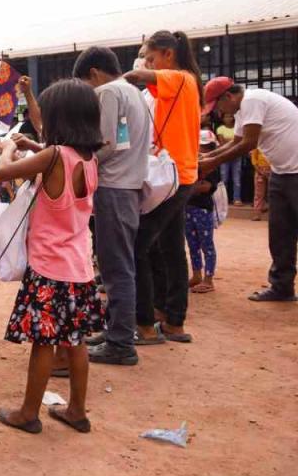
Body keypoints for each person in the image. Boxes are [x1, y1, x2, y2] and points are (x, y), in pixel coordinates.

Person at [0, 79, 105, 435]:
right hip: (79, 267)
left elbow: (4, 172)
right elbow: (53, 152)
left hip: (48, 269)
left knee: (43, 342)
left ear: (59, 118)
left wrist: (8, 147)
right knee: (75, 341)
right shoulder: (88, 158)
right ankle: (77, 410)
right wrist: (35, 144)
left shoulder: (53, 156)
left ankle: (28, 413)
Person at [71, 46, 150, 367]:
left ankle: (120, 343)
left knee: (116, 268)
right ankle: (115, 330)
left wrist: (73, 161)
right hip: (129, 186)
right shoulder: (134, 93)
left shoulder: (107, 93)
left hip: (114, 188)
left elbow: (104, 145)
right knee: (119, 265)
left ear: (93, 74)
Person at [123, 30, 202, 344]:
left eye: (151, 57)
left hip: (173, 178)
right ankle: (172, 321)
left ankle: (143, 324)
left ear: (168, 54)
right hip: (176, 176)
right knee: (168, 248)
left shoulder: (181, 78)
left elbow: (140, 74)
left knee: (138, 245)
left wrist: (122, 78)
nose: (147, 63)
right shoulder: (176, 86)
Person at [199, 77, 298, 302]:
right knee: (280, 234)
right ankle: (282, 286)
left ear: (228, 96)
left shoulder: (253, 100)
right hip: (282, 173)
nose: (217, 112)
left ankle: (282, 285)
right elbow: (235, 142)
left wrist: (211, 163)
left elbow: (248, 144)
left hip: (294, 173)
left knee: (284, 232)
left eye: (218, 106)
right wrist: (207, 156)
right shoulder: (244, 109)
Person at [187, 131, 221, 294]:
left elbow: (207, 187)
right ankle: (197, 275)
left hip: (202, 209)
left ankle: (209, 279)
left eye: (207, 147)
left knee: (206, 244)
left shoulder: (212, 167)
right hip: (188, 208)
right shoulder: (191, 162)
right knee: (192, 244)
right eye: (201, 146)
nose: (203, 149)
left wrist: (187, 189)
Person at [216, 113, 243, 206]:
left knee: (237, 179)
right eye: (226, 116)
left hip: (237, 156)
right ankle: (224, 200)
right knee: (224, 179)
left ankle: (237, 199)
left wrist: (232, 143)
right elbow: (222, 143)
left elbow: (240, 141)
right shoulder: (220, 129)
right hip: (224, 156)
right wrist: (233, 143)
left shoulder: (237, 128)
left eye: (230, 116)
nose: (228, 118)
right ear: (222, 118)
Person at [252, 149, 271, 220]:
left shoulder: (273, 145)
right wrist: (259, 170)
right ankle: (257, 214)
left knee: (272, 193)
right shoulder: (257, 146)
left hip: (272, 169)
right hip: (259, 170)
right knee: (258, 193)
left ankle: (273, 214)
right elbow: (254, 160)